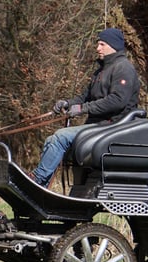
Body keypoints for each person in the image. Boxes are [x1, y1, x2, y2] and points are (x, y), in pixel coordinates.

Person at [31, 27, 141, 187]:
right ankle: (41, 189)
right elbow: (84, 97)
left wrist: (82, 109)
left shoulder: (123, 68)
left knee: (60, 137)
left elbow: (117, 101)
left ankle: (37, 180)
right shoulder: (101, 71)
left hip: (113, 127)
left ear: (113, 45)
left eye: (102, 44)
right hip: (98, 126)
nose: (98, 48)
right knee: (51, 140)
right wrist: (68, 103)